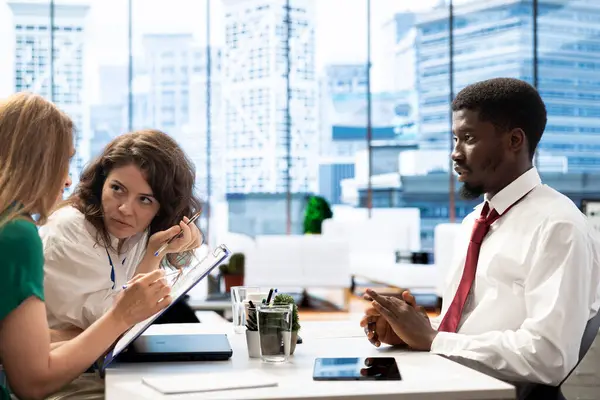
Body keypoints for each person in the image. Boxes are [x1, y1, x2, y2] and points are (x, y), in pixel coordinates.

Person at [360, 78, 600, 389]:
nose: (455, 154)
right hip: (449, 382)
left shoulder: (559, 227)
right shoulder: (474, 222)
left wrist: (433, 339)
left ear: (515, 140)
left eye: (468, 138)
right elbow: (471, 332)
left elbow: (549, 356)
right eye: (454, 139)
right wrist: (410, 333)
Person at [0, 92, 172, 400]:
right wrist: (120, 316)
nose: (67, 180)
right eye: (61, 162)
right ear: (36, 164)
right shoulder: (17, 233)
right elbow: (33, 383)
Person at [39, 129, 203, 340]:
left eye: (144, 200)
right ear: (101, 184)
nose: (125, 209)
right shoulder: (70, 227)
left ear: (162, 208)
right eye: (117, 188)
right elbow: (120, 323)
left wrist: (169, 247)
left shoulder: (136, 232)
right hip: (62, 368)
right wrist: (154, 254)